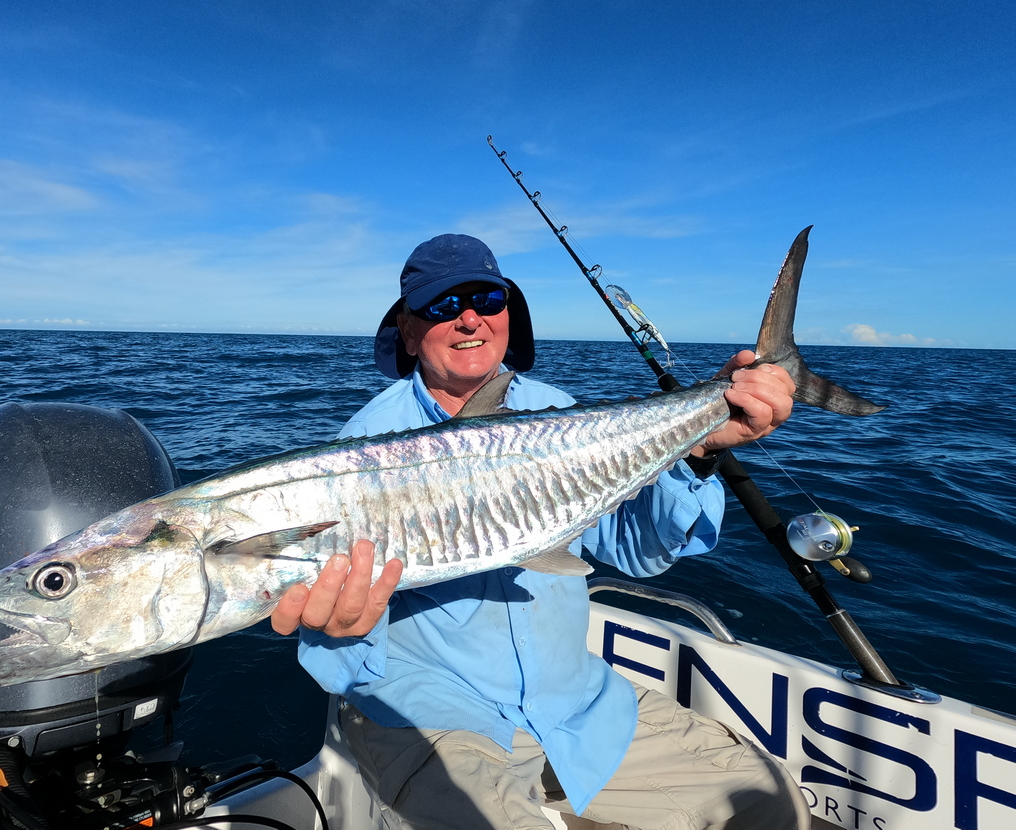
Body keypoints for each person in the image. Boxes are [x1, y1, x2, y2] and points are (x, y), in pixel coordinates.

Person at [271, 234, 810, 830]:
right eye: (441, 305)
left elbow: (636, 548)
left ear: (508, 315)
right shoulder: (363, 451)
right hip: (432, 718)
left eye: (485, 299)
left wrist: (702, 447)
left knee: (770, 800)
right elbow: (340, 648)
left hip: (576, 708)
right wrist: (344, 632)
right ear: (406, 329)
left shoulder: (558, 411)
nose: (469, 317)